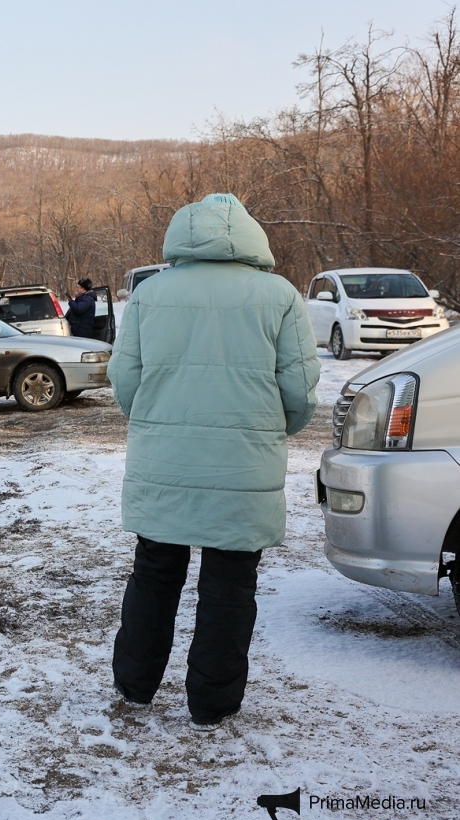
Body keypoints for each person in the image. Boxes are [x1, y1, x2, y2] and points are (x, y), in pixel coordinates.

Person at [107, 194, 319, 731]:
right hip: (243, 464)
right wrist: (275, 428)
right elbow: (299, 387)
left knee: (154, 573)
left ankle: (135, 686)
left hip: (165, 461)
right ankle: (212, 702)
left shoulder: (150, 294)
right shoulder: (280, 296)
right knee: (230, 584)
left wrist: (155, 421)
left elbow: (125, 380)